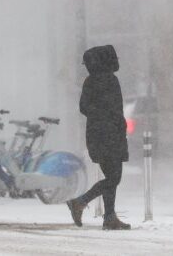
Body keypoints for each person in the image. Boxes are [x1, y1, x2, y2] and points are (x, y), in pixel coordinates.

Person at [66, 44, 131, 230]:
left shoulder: (90, 81)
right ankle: (80, 202)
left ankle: (109, 217)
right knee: (114, 177)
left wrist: (99, 117)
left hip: (95, 135)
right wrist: (114, 125)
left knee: (111, 175)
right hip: (110, 135)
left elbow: (84, 107)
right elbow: (116, 110)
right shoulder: (111, 80)